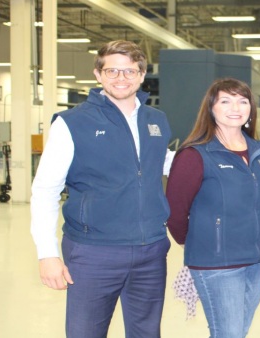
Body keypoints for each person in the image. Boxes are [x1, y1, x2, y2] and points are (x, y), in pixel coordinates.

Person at [30, 40, 173, 338]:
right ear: (98, 74)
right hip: (94, 251)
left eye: (129, 71)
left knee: (147, 332)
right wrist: (47, 253)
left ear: (142, 74)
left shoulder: (156, 120)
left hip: (150, 250)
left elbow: (168, 164)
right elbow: (45, 190)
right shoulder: (72, 123)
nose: (121, 78)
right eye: (112, 71)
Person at [166, 78, 260, 338]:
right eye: (225, 101)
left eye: (242, 101)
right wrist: (197, 241)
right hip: (217, 263)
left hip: (259, 259)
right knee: (228, 333)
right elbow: (174, 211)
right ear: (211, 108)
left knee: (237, 331)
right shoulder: (195, 155)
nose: (235, 107)